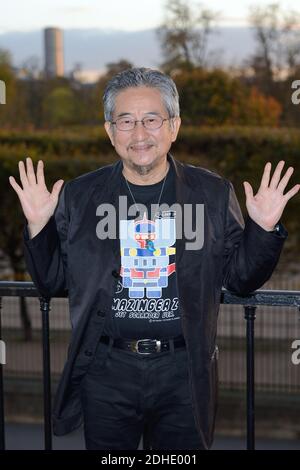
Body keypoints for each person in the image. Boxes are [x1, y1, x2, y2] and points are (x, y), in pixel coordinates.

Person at [9, 67, 299, 450]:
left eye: (151, 119)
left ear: (174, 126)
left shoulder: (211, 193)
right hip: (106, 373)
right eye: (125, 121)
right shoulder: (80, 196)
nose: (140, 134)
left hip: (184, 373)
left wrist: (262, 229)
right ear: (110, 131)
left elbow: (241, 280)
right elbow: (52, 281)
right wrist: (38, 226)